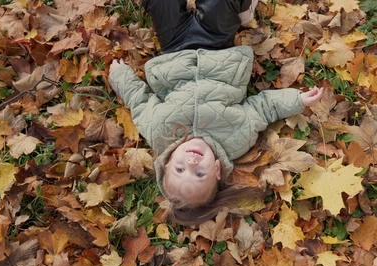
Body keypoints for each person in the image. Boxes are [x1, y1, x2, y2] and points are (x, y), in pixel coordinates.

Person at [109, 0, 323, 226]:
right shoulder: (237, 138)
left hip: (173, 48)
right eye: (200, 174)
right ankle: (239, 10)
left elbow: (139, 100)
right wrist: (296, 100)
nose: (191, 163)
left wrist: (120, 76)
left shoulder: (158, 132)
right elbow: (262, 108)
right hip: (218, 46)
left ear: (167, 162)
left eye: (180, 169)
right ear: (217, 170)